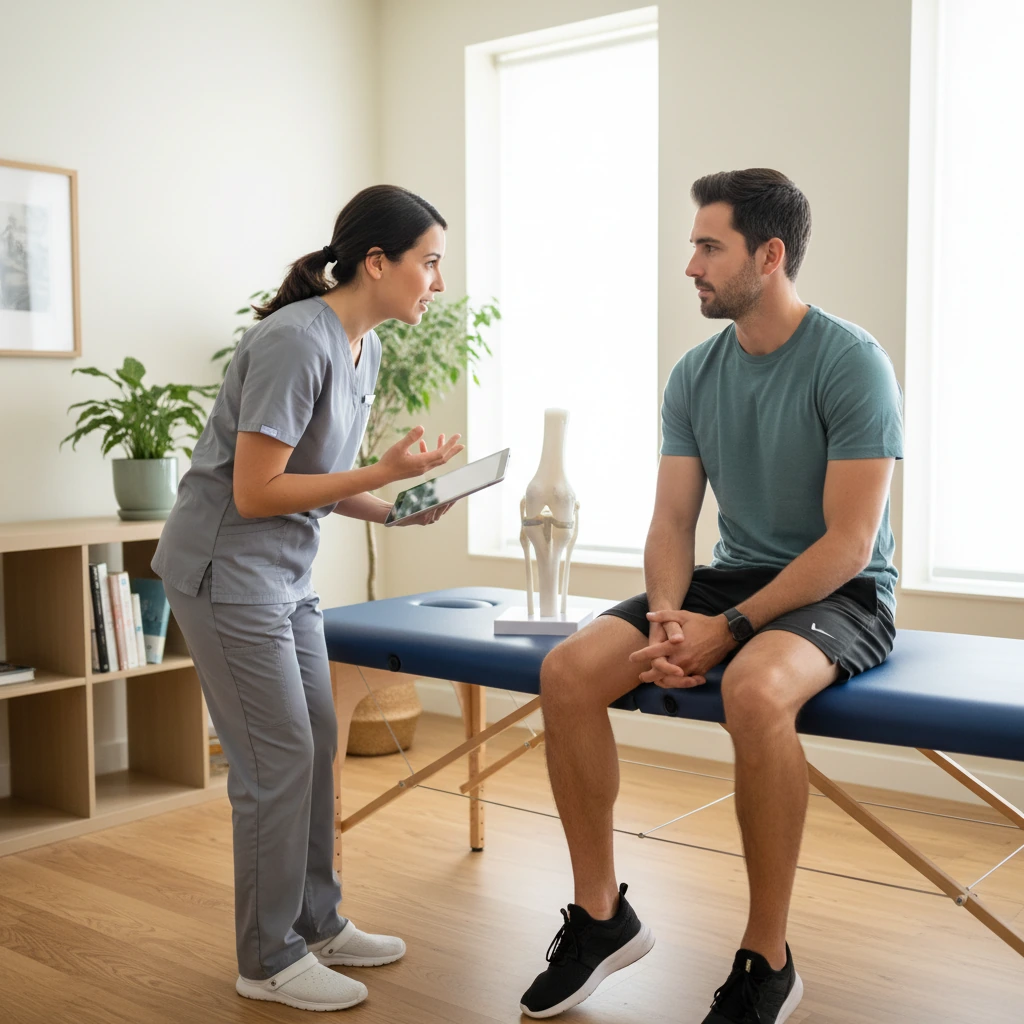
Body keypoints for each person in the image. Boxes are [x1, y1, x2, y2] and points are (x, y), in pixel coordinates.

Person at [520, 168, 903, 1023]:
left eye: (708, 246)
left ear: (769, 256)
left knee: (753, 689)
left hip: (841, 589)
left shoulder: (852, 364)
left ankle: (768, 958)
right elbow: (670, 522)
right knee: (570, 671)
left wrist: (726, 629)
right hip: (730, 579)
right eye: (693, 245)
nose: (690, 265)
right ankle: (601, 918)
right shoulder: (695, 373)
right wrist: (666, 616)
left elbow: (847, 543)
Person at [152, 184, 463, 1012]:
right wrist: (384, 474)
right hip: (227, 572)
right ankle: (267, 958)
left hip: (285, 576)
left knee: (318, 738)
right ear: (376, 262)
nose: (436, 282)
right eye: (428, 263)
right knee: (276, 760)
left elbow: (313, 481)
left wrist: (398, 503)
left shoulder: (365, 347)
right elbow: (255, 493)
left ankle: (318, 923)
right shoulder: (296, 341)